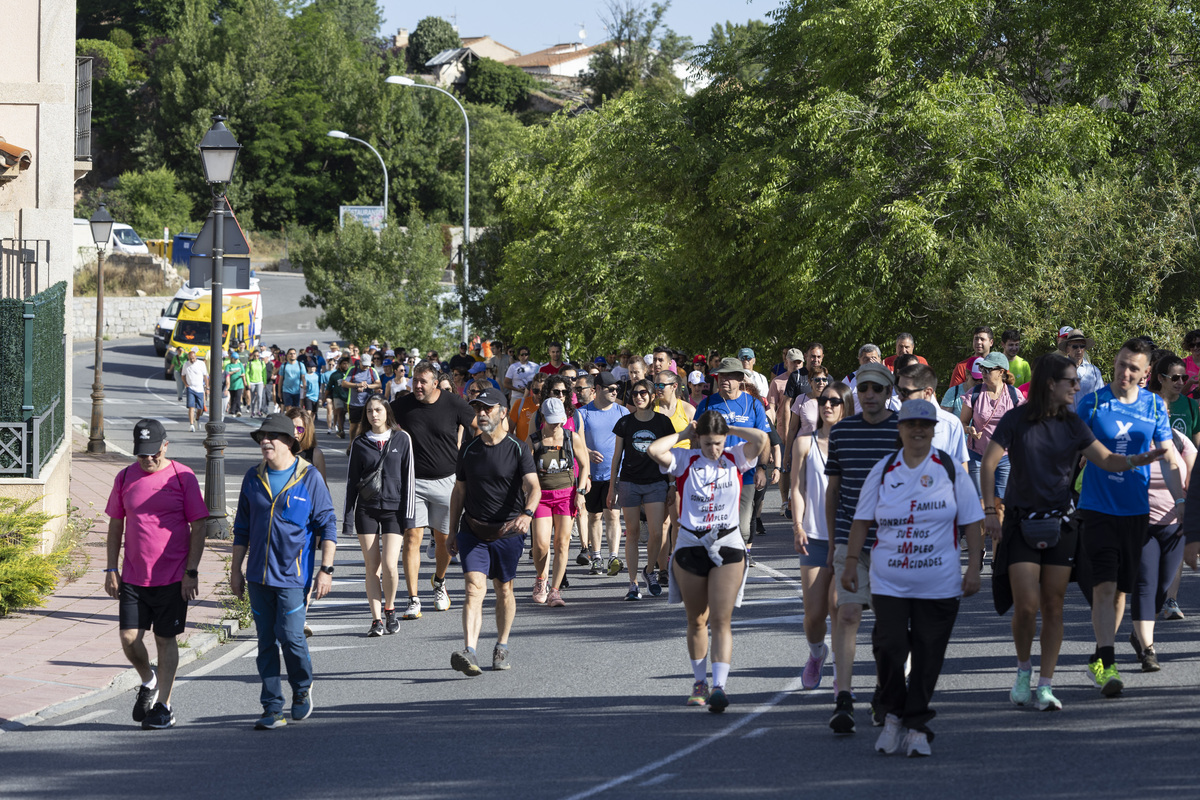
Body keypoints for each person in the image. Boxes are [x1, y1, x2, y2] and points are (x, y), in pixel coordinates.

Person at [982, 352, 1166, 709]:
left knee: (1053, 605)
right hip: (1021, 521)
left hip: (1062, 522)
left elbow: (1105, 459)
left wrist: (1134, 460)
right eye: (1071, 381)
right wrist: (990, 510)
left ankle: (1046, 685)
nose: (1077, 386)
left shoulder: (1073, 424)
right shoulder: (1016, 419)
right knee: (1026, 605)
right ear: (1051, 384)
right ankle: (1023, 672)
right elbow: (989, 463)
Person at [843, 399, 983, 757]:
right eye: (911, 424)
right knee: (889, 646)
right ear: (900, 429)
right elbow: (861, 520)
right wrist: (850, 562)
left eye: (925, 424)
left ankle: (916, 725)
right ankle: (893, 715)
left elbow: (971, 521)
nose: (918, 430)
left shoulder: (950, 469)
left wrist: (973, 567)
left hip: (940, 581)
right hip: (890, 580)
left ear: (934, 429)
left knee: (927, 653)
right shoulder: (884, 469)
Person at [1074, 337, 1180, 695]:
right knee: (1103, 586)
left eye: (1134, 367)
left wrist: (1181, 496)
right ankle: (1108, 661)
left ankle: (1098, 660)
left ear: (1147, 372)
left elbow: (1168, 452)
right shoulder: (1091, 403)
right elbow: (1067, 450)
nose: (1125, 372)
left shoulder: (1153, 406)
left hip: (1136, 511)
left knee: (1121, 591)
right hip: (1097, 508)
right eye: (1121, 364)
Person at [647, 410, 768, 713]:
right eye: (707, 443)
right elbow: (653, 450)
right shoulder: (685, 459)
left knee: (721, 619)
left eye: (717, 443)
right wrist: (685, 436)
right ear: (699, 439)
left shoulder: (736, 456)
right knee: (697, 619)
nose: (713, 449)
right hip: (691, 544)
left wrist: (732, 429)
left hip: (727, 544)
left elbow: (762, 438)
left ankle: (719, 687)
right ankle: (699, 682)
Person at [231, 413, 338, 730]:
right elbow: (241, 529)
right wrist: (236, 571)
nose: (265, 441)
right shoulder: (253, 477)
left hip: (292, 577)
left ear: (289, 442)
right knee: (265, 642)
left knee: (291, 638)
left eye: (272, 437)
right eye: (262, 437)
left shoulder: (309, 477)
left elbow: (327, 525)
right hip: (258, 577)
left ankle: (302, 687)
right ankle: (272, 707)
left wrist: (326, 570)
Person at [103, 420, 207, 730]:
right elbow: (115, 525)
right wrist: (111, 568)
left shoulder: (181, 476)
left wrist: (191, 572)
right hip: (134, 576)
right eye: (141, 455)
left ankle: (164, 705)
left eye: (152, 454)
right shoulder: (125, 477)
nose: (147, 460)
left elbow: (199, 526)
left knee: (165, 639)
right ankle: (148, 680)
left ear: (165, 445)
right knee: (129, 639)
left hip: (173, 576)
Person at [825, 361, 899, 734]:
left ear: (889, 393)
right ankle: (843, 697)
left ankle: (883, 691)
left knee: (888, 626)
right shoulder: (842, 432)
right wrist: (833, 540)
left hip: (895, 542)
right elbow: (833, 490)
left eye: (877, 389)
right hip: (848, 539)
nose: (869, 395)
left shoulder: (902, 433)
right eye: (864, 388)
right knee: (848, 614)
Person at [447, 388, 540, 675]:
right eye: (478, 409)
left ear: (502, 412)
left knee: (503, 589)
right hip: (473, 529)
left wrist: (527, 514)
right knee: (474, 588)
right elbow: (459, 491)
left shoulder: (518, 447)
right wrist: (451, 531)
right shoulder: (469, 449)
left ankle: (501, 645)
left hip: (508, 531)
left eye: (488, 408)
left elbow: (534, 487)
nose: (482, 414)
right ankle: (470, 651)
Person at [391, 361, 476, 620]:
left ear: (435, 383)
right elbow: (380, 422)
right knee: (413, 538)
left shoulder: (453, 403)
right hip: (413, 482)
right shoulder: (402, 405)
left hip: (446, 482)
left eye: (423, 381)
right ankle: (413, 598)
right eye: (415, 380)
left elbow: (478, 427)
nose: (417, 385)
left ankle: (439, 582)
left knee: (444, 542)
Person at [790, 381, 853, 690]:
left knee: (839, 608)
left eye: (835, 401)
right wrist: (798, 525)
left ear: (846, 407)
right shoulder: (805, 443)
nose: (827, 405)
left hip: (845, 538)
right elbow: (797, 489)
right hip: (813, 536)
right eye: (823, 400)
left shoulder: (855, 444)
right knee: (814, 615)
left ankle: (841, 672)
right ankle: (817, 653)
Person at [345, 395, 416, 636]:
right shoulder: (360, 442)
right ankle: (376, 621)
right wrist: (347, 517)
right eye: (369, 411)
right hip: (366, 510)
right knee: (372, 567)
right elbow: (351, 482)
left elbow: (409, 480)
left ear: (387, 412)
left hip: (394, 511)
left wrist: (409, 517)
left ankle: (390, 608)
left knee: (390, 565)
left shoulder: (402, 439)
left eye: (378, 410)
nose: (374, 415)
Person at [696, 358, 771, 563]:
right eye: (721, 376)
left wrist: (762, 469)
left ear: (740, 379)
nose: (724, 380)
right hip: (714, 474)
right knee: (717, 522)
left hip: (744, 473)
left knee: (744, 526)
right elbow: (695, 439)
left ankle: (737, 552)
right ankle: (727, 560)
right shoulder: (708, 404)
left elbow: (764, 439)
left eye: (729, 376)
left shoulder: (753, 404)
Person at [609, 378, 676, 600]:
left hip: (656, 482)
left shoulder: (663, 422)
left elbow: (669, 456)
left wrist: (672, 483)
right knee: (633, 534)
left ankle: (649, 571)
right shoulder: (625, 423)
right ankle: (632, 583)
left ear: (651, 396)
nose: (638, 397)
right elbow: (616, 457)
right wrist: (612, 488)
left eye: (643, 393)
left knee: (657, 533)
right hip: (629, 482)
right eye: (635, 394)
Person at [528, 396, 590, 607]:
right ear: (543, 417)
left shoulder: (571, 438)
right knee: (541, 544)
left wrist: (580, 492)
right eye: (552, 421)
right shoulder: (534, 440)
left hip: (566, 495)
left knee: (562, 543)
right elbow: (525, 471)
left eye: (559, 421)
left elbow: (584, 464)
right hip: (542, 497)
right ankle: (541, 579)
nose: (557, 425)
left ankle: (555, 591)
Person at [578, 371, 629, 576]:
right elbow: (575, 441)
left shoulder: (622, 412)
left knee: (613, 515)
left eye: (617, 389)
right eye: (611, 389)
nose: (615, 392)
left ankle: (613, 557)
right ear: (597, 389)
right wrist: (587, 452)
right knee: (594, 516)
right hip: (591, 475)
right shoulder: (582, 413)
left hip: (614, 473)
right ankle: (596, 557)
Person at [960, 352, 1022, 518]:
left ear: (1001, 371)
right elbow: (962, 422)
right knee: (979, 505)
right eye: (982, 369)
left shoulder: (1015, 395)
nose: (983, 373)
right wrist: (969, 430)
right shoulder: (975, 393)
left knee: (1000, 505)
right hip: (978, 456)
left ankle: (997, 545)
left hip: (1006, 458)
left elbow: (1024, 426)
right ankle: (979, 545)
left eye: (988, 369)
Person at [342, 357, 381, 445]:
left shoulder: (372, 370)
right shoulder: (353, 370)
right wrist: (357, 385)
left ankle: (362, 443)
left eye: (367, 365)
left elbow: (378, 384)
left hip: (367, 402)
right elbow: (344, 383)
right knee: (354, 425)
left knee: (364, 424)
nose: (366, 367)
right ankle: (351, 443)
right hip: (354, 402)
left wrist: (367, 386)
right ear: (360, 362)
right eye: (364, 365)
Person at [1062, 329, 1104, 403]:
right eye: (1075, 346)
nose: (1079, 350)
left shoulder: (1094, 371)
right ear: (1067, 348)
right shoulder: (1060, 369)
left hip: (1087, 414)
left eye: (1082, 346)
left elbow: (1100, 397)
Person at [180, 348, 208, 433]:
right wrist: (186, 385)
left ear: (195, 357)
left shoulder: (201, 364)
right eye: (190, 358)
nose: (192, 360)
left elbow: (205, 376)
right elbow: (183, 375)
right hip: (190, 388)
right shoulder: (186, 364)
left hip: (199, 388)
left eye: (193, 358)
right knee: (191, 407)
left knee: (200, 408)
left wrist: (207, 387)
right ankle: (191, 425)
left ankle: (197, 419)